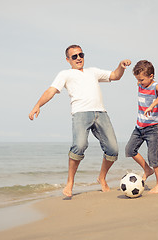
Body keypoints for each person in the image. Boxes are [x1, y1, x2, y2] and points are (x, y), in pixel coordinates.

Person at [29, 44, 131, 197]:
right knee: (79, 145)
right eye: (74, 56)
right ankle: (70, 183)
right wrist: (37, 105)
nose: (78, 58)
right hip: (80, 114)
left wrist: (121, 66)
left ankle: (101, 178)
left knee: (113, 149)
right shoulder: (65, 74)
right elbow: (51, 91)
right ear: (68, 59)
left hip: (101, 113)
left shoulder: (93, 72)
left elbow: (115, 76)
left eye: (81, 55)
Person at [125, 60, 158, 194]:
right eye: (138, 79)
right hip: (139, 126)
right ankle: (147, 170)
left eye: (142, 79)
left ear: (151, 76)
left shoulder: (155, 86)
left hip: (154, 128)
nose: (139, 82)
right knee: (129, 150)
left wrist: (153, 105)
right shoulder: (140, 83)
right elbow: (139, 77)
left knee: (153, 157)